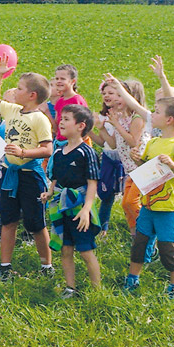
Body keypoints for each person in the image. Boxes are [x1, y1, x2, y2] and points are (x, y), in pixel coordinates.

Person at [0, 56, 55, 282]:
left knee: (36, 224)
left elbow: (47, 149)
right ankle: (5, 266)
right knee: (8, 220)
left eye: (20, 88)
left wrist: (23, 153)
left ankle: (47, 265)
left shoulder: (40, 119)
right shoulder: (13, 110)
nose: (15, 90)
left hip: (30, 177)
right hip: (9, 174)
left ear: (32, 95)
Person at [123, 97, 174, 299]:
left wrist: (173, 165)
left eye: (156, 112)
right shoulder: (153, 143)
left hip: (169, 210)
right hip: (148, 206)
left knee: (168, 247)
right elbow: (147, 172)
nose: (152, 115)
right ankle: (132, 279)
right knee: (140, 243)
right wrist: (138, 161)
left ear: (169, 119)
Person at [41, 105, 101, 298]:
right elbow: (56, 178)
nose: (61, 122)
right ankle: (70, 287)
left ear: (81, 125)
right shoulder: (59, 152)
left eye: (66, 119)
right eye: (61, 118)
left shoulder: (87, 152)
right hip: (61, 207)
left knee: (85, 250)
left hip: (79, 208)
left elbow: (92, 183)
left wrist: (86, 209)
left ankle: (97, 291)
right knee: (65, 249)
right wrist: (50, 192)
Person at [102, 80, 150, 237]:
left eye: (119, 96)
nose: (115, 100)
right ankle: (135, 236)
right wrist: (99, 128)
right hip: (130, 169)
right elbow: (114, 144)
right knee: (125, 203)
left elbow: (133, 142)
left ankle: (146, 234)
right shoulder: (121, 117)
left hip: (141, 166)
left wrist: (116, 124)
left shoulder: (137, 118)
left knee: (131, 202)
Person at [89, 81, 125, 235]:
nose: (106, 96)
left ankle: (137, 228)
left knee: (131, 196)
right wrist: (89, 130)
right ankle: (102, 229)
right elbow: (102, 142)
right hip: (109, 159)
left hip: (124, 160)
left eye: (110, 93)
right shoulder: (103, 115)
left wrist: (101, 127)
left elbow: (114, 143)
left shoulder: (125, 116)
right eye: (104, 93)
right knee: (106, 194)